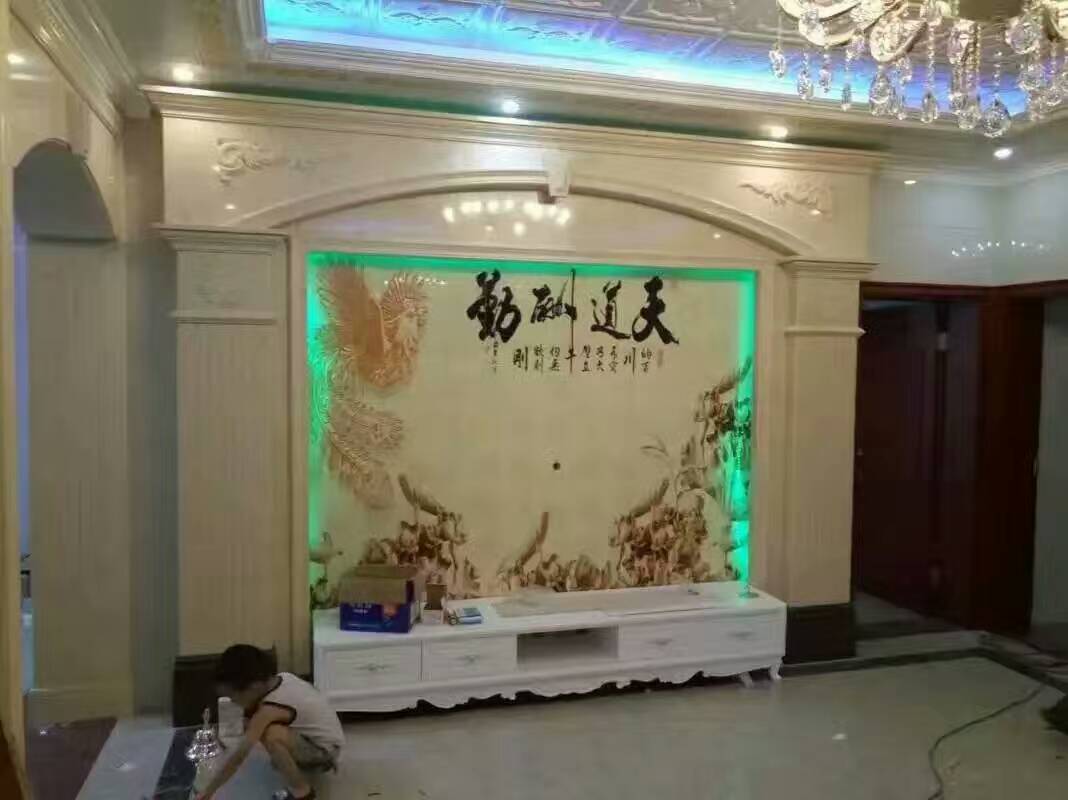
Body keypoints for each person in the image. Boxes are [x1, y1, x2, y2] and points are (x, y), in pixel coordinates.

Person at [196, 644, 344, 800]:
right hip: (325, 741)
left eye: (233, 696)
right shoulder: (283, 677)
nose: (233, 702)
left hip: (325, 754)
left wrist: (208, 791)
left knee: (271, 735)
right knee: (258, 727)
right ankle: (293, 765)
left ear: (254, 687)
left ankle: (302, 792)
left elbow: (239, 754)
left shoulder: (270, 708)